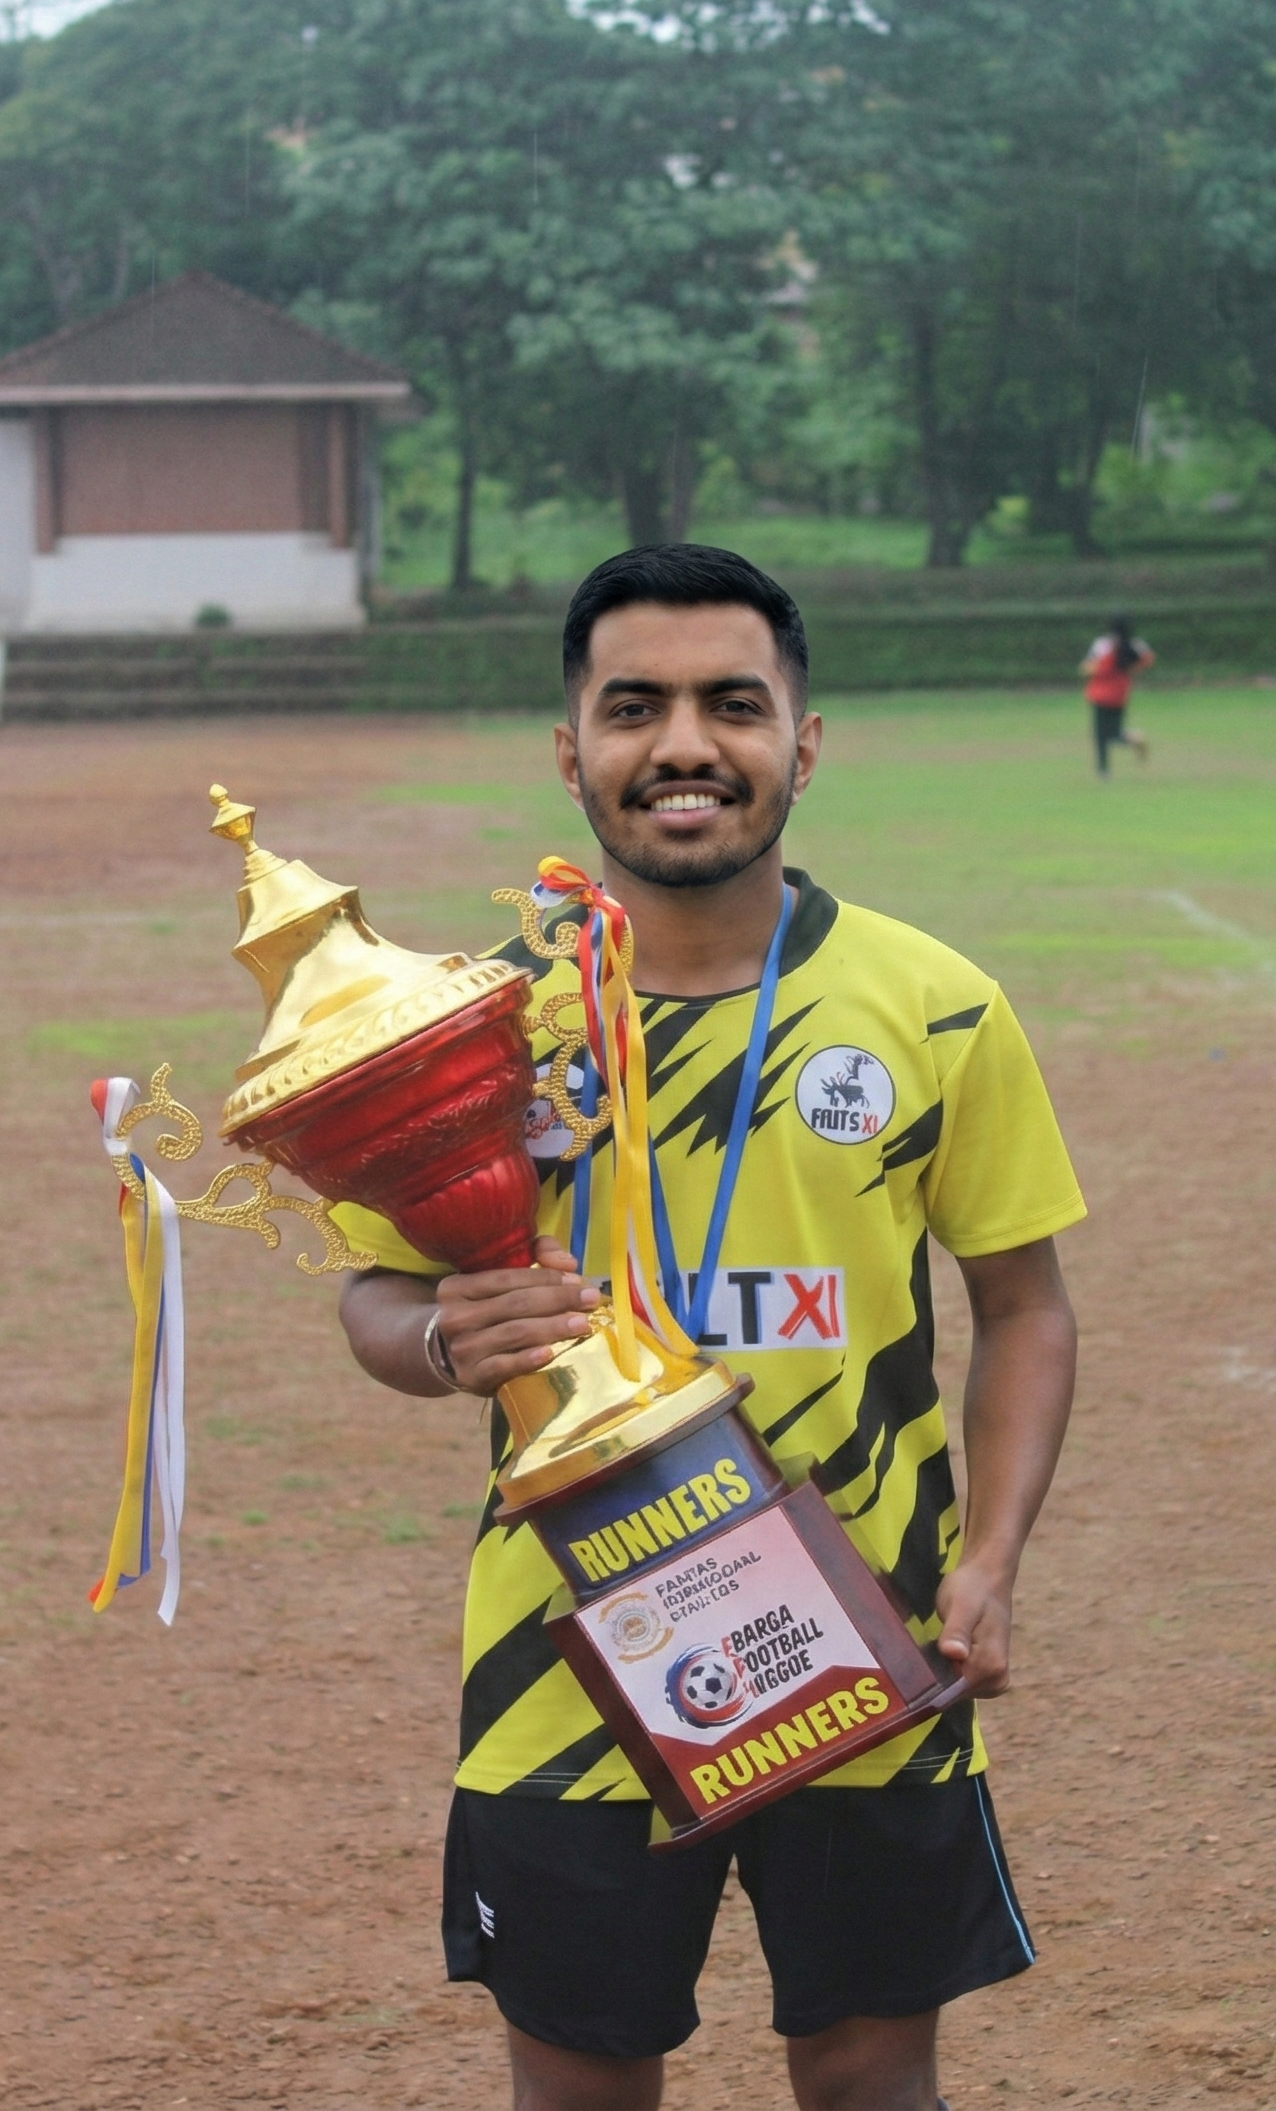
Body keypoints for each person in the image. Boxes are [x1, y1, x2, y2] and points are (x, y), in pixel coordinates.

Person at [336, 544, 1083, 2111]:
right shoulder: (476, 1030)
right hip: (567, 1660)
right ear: (572, 753)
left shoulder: (934, 1006)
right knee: (581, 2084)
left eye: (732, 704)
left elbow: (1022, 1307)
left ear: (802, 742)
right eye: (636, 707)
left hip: (867, 1642)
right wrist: (437, 1341)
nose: (685, 744)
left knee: (874, 2071)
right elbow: (375, 1296)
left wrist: (993, 1561)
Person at [1078, 616, 1154, 775]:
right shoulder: (1134, 644)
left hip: (1100, 693)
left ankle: (1103, 770)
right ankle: (1134, 738)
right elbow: (1148, 659)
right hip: (1120, 693)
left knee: (1101, 734)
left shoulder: (1103, 644)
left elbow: (1087, 667)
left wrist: (1091, 670)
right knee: (1114, 731)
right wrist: (1133, 669)